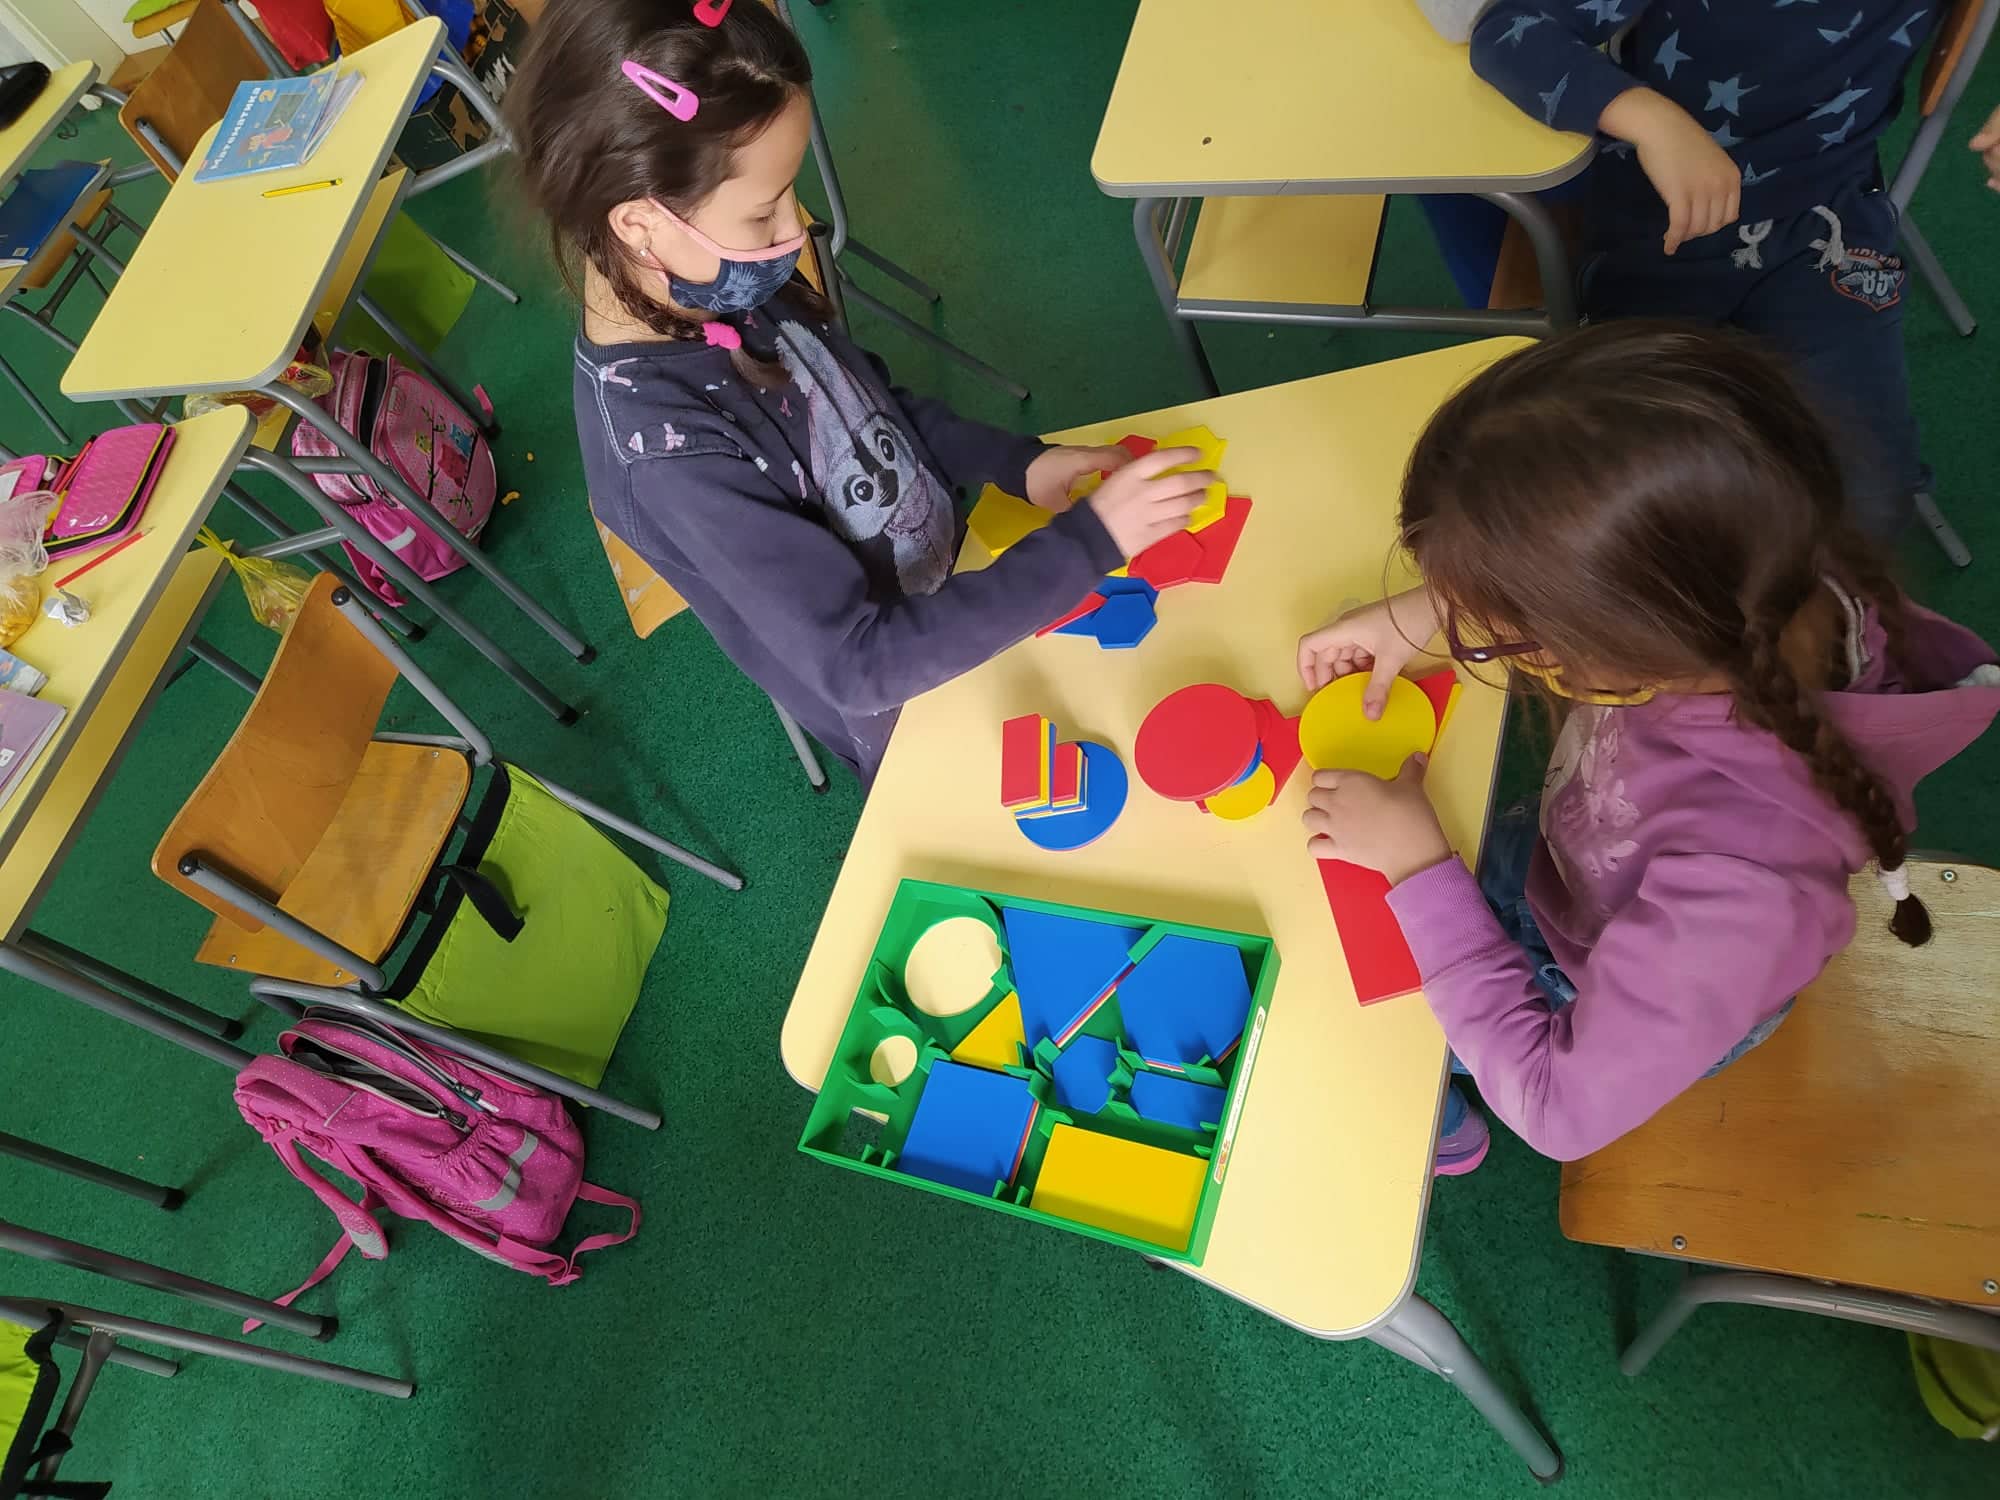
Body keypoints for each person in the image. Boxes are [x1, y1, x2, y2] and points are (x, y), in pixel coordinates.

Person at [1294, 324, 2000, 1172]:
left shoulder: (1746, 893)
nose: (1479, 633)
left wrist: (1418, 868)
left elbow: (1555, 1107)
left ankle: (1439, 1122)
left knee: (1354, 1032)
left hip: (1593, 971)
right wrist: (1431, 611)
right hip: (1575, 863)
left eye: (1505, 627)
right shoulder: (1750, 561)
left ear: (1615, 641)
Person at [508, 0, 1210, 782]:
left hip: (973, 594)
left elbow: (872, 406)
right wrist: (1089, 542)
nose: (795, 231)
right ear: (640, 223)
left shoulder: (713, 279)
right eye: (763, 212)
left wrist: (1018, 463)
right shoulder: (665, 457)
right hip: (915, 717)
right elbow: (863, 662)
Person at [1468, 2, 1941, 540]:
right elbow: (1509, 29)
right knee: (1637, 502)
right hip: (1659, 230)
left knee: (1872, 501)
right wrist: (1653, 121)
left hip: (1826, 226)